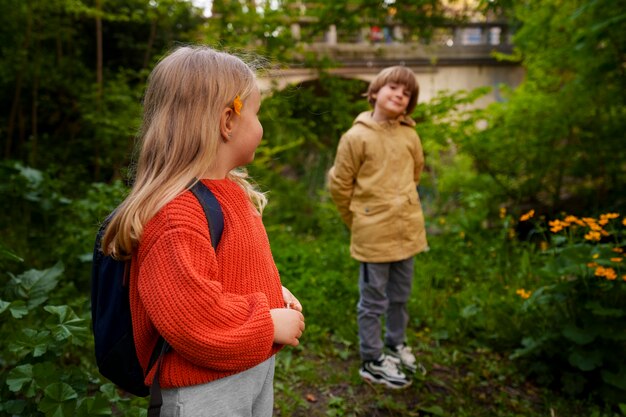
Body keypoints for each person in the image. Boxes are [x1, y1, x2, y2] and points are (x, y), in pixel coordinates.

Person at [101, 45, 305, 417]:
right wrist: (267, 322)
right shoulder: (175, 214)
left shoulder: (231, 192)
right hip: (205, 390)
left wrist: (274, 293)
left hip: (247, 367)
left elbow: (230, 271)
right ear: (228, 121)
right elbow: (191, 318)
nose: (261, 127)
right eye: (257, 115)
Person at [327, 66, 427, 389]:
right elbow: (340, 185)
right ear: (374, 92)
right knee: (373, 300)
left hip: (408, 232)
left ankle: (396, 345)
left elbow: (416, 174)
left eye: (407, 93)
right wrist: (357, 219)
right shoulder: (356, 137)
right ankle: (372, 358)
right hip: (373, 235)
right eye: (393, 87)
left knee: (400, 296)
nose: (400, 94)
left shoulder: (410, 135)